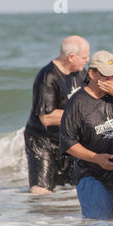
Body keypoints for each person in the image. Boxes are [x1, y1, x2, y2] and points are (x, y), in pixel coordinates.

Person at [59, 50, 113, 220]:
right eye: (106, 77)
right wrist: (96, 158)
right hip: (91, 175)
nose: (112, 81)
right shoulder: (77, 103)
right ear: (91, 73)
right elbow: (67, 142)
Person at [24, 35, 90, 195]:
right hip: (43, 142)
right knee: (42, 190)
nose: (87, 60)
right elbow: (46, 117)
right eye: (84, 57)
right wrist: (79, 115)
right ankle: (37, 219)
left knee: (70, 189)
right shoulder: (48, 77)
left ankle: (64, 220)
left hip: (67, 141)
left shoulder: (80, 73)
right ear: (71, 57)